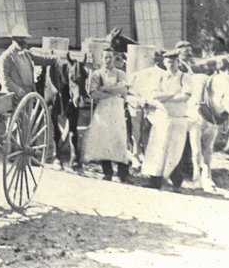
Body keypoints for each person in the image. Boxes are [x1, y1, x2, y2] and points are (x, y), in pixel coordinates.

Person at [140, 47, 192, 190]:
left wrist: (165, 96)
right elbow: (154, 94)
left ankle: (177, 184)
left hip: (179, 118)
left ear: (178, 61)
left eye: (174, 62)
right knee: (157, 149)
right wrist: (172, 94)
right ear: (164, 62)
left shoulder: (184, 77)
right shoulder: (160, 77)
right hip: (162, 118)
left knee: (176, 151)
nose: (171, 65)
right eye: (168, 62)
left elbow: (185, 96)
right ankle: (154, 181)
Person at [82, 48, 132, 183]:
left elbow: (123, 89)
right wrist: (112, 92)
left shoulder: (120, 73)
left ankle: (123, 173)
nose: (108, 60)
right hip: (103, 109)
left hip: (117, 109)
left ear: (114, 59)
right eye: (105, 57)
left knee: (119, 139)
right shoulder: (96, 74)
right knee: (103, 139)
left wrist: (104, 88)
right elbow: (93, 93)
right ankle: (107, 172)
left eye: (110, 57)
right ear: (101, 58)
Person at [0, 24, 35, 99]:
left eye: (24, 38)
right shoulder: (6, 56)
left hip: (28, 95)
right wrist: (18, 90)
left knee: (28, 111)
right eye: (20, 38)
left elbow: (42, 59)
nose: (23, 41)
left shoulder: (26, 54)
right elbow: (4, 79)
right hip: (15, 97)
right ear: (14, 39)